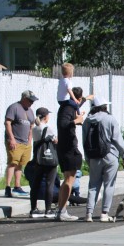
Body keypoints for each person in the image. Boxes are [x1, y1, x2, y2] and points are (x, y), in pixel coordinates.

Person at [83, 97, 124, 222]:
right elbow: (117, 138)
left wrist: (88, 158)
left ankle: (89, 213)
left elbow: (85, 141)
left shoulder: (87, 121)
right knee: (109, 185)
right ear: (104, 107)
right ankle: (104, 213)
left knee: (93, 185)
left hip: (94, 157)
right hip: (110, 155)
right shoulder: (110, 119)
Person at [55, 87, 86, 221]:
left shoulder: (67, 107)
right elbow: (63, 124)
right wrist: (76, 121)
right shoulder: (68, 108)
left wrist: (87, 98)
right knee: (69, 180)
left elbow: (79, 103)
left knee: (67, 179)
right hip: (68, 148)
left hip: (65, 147)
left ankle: (60, 210)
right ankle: (62, 211)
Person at [4, 90, 36, 198]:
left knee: (20, 164)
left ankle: (17, 186)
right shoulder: (14, 107)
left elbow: (31, 126)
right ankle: (7, 187)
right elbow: (7, 123)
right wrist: (11, 139)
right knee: (13, 163)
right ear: (24, 98)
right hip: (15, 141)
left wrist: (30, 139)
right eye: (30, 101)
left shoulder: (30, 111)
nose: (32, 103)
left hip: (25, 142)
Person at [28, 107, 58, 218]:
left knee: (35, 184)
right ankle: (48, 210)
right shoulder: (47, 128)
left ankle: (33, 209)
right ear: (45, 117)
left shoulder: (35, 129)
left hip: (38, 159)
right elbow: (55, 140)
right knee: (49, 184)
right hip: (49, 159)